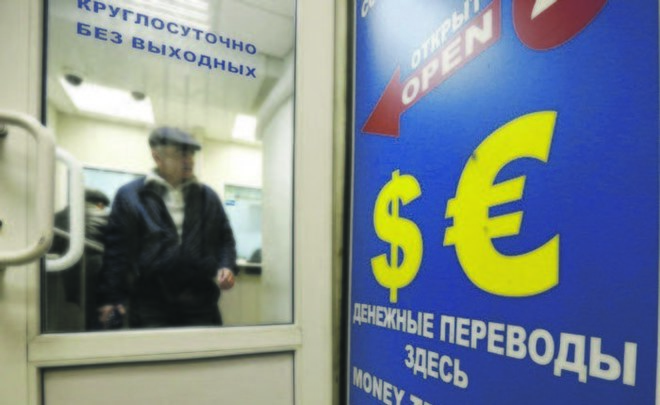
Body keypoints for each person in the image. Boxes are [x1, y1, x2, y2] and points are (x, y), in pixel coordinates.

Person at [96, 127, 237, 328]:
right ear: (157, 157)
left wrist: (226, 265)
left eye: (191, 153)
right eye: (180, 153)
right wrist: (111, 298)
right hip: (150, 302)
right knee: (155, 348)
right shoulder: (131, 196)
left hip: (200, 300)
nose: (189, 160)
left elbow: (225, 238)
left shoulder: (208, 197)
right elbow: (117, 252)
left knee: (202, 348)